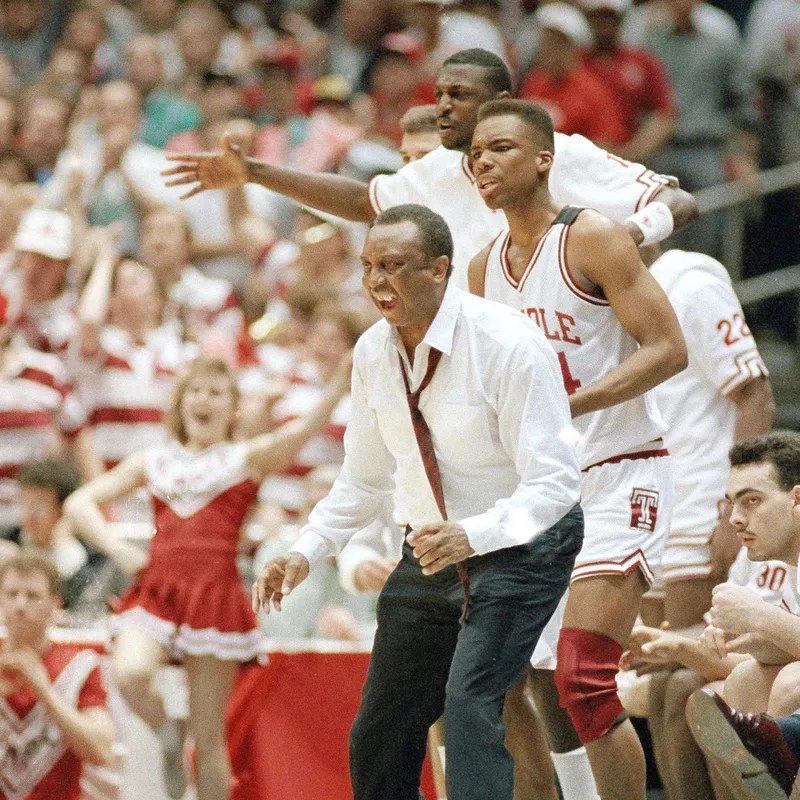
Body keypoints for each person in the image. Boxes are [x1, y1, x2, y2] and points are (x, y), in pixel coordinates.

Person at [253, 204, 585, 800]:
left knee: (470, 705)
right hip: (433, 548)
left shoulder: (507, 343)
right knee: (378, 731)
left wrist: (474, 533)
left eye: (395, 266)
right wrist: (306, 551)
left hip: (525, 545)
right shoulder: (372, 353)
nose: (378, 281)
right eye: (369, 267)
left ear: (439, 269)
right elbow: (362, 480)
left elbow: (556, 482)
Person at [467, 98, 687, 800]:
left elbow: (669, 349)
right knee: (528, 680)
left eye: (501, 147)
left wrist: (574, 403)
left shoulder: (591, 238)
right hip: (543, 493)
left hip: (622, 470)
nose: (483, 162)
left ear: (543, 159)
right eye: (476, 154)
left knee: (583, 677)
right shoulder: (481, 272)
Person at [161, 48, 699, 291]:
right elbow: (358, 201)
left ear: (502, 101)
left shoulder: (562, 151)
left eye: (460, 95)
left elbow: (678, 200)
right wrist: (255, 171)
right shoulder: (437, 168)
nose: (443, 106)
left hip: (574, 352)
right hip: (486, 362)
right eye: (440, 94)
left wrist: (629, 233)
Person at [64, 352, 352, 800]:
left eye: (216, 393)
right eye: (195, 391)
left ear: (233, 408)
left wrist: (335, 387)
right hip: (156, 592)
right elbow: (79, 504)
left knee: (210, 738)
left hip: (214, 598)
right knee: (131, 673)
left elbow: (300, 432)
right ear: (180, 404)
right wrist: (120, 549)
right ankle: (165, 733)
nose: (204, 400)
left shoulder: (244, 458)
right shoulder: (154, 460)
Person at [645, 245, 774, 629]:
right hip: (646, 504)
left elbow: (756, 396)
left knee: (691, 663)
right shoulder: (613, 296)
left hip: (699, 502)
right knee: (649, 667)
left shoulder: (692, 286)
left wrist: (733, 512)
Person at [0, 551, 114, 800]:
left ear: (55, 604)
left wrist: (46, 693)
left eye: (32, 596)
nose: (20, 605)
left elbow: (101, 751)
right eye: (11, 594)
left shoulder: (79, 665)